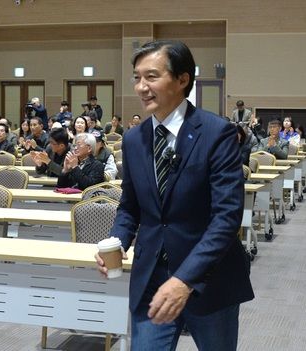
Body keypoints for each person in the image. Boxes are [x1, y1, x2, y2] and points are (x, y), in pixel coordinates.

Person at [96, 40, 253, 351]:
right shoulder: (134, 139)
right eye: (136, 77)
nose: (141, 87)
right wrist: (117, 241)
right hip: (152, 276)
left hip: (209, 278)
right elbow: (130, 206)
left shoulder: (216, 133)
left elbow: (226, 218)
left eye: (151, 77)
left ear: (183, 79)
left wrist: (185, 280)